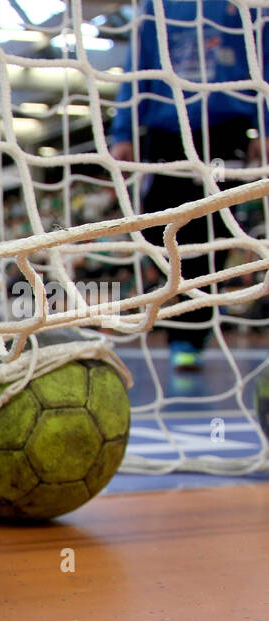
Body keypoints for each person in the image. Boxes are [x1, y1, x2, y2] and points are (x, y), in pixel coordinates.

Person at [110, 0, 269, 372]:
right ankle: (179, 318)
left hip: (224, 131)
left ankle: (189, 337)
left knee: (213, 235)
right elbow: (139, 64)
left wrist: (264, 126)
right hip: (168, 134)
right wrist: (122, 130)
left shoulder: (248, 6)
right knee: (164, 233)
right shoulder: (156, 7)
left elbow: (263, 61)